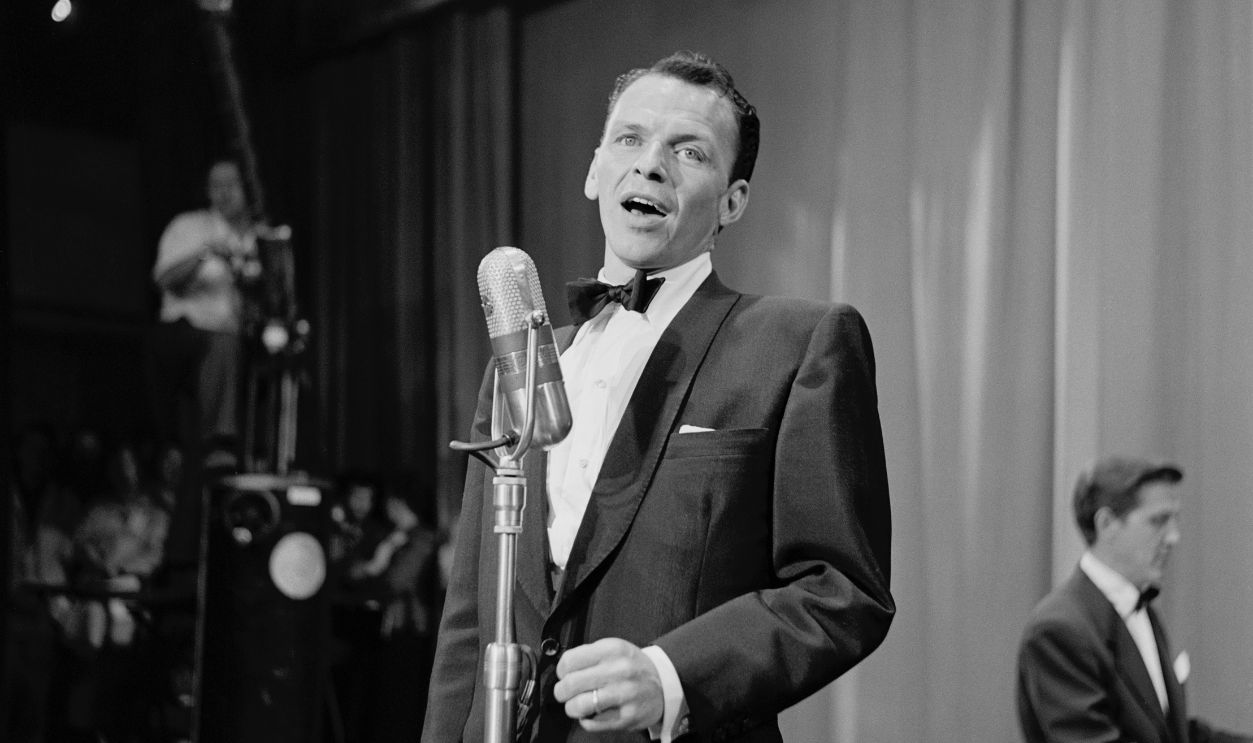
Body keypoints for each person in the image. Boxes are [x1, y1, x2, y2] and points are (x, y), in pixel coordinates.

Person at [424, 51, 893, 742]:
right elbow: (469, 613)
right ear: (594, 171)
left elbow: (840, 589)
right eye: (629, 139)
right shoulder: (519, 361)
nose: (649, 164)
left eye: (688, 151)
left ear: (732, 201)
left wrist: (671, 675)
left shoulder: (799, 343)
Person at [1016, 456, 1253, 743]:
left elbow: (1170, 733)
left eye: (1175, 520)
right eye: (1159, 521)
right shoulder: (1058, 630)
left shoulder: (1141, 610)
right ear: (1106, 524)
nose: (1173, 537)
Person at [146, 158, 261, 474]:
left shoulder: (259, 237)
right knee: (222, 342)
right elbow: (164, 279)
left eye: (231, 185)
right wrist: (204, 254)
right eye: (215, 186)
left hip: (244, 336)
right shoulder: (189, 226)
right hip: (186, 332)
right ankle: (217, 442)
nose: (223, 194)